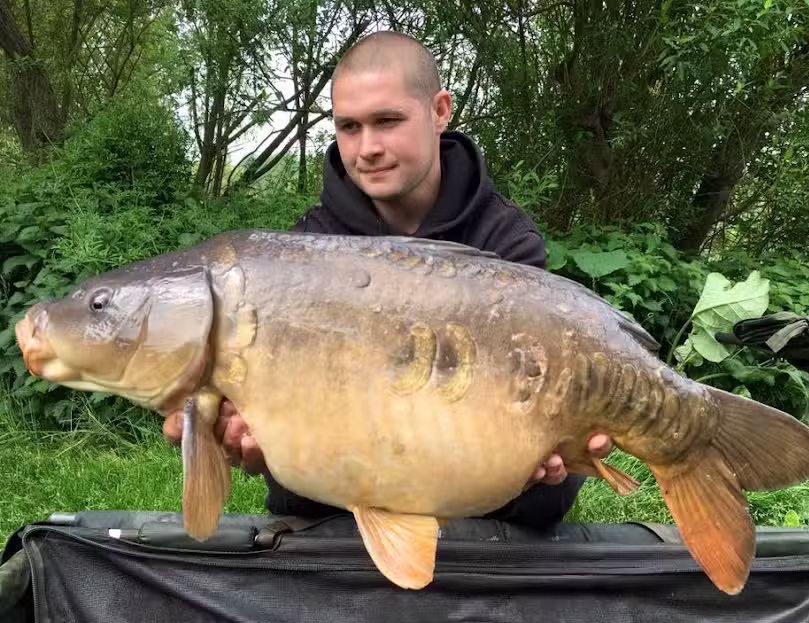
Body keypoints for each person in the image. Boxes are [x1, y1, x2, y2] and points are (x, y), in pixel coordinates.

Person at [163, 30, 613, 530]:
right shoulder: (307, 250)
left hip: (478, 485)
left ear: (440, 111)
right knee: (297, 482)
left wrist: (533, 459)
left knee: (547, 478)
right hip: (337, 499)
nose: (367, 148)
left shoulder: (504, 239)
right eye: (349, 127)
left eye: (387, 121)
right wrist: (249, 441)